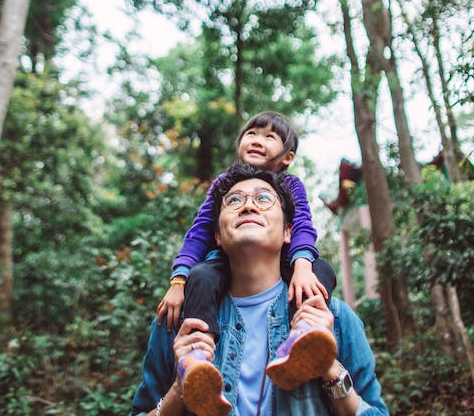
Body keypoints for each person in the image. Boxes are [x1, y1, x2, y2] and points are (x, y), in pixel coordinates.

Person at [132, 163, 390, 416]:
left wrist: (329, 367)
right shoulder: (179, 322)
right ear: (218, 236)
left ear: (288, 232)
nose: (248, 206)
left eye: (264, 198)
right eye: (234, 200)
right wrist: (180, 389)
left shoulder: (334, 318)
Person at [156, 112, 338, 404]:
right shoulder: (224, 184)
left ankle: (305, 335)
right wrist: (178, 281)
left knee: (321, 271)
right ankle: (196, 357)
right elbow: (199, 232)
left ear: (287, 157)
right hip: (225, 262)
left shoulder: (291, 185)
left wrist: (303, 264)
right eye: (251, 133)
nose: (257, 140)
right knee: (200, 276)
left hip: (285, 260)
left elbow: (303, 225)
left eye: (269, 136)